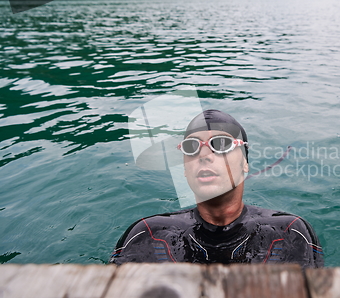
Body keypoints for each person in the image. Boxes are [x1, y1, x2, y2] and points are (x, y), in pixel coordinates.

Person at [110, 109, 323, 268]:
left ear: (245, 164)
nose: (204, 155)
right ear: (185, 168)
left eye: (221, 144)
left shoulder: (290, 233)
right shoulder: (148, 235)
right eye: (191, 147)